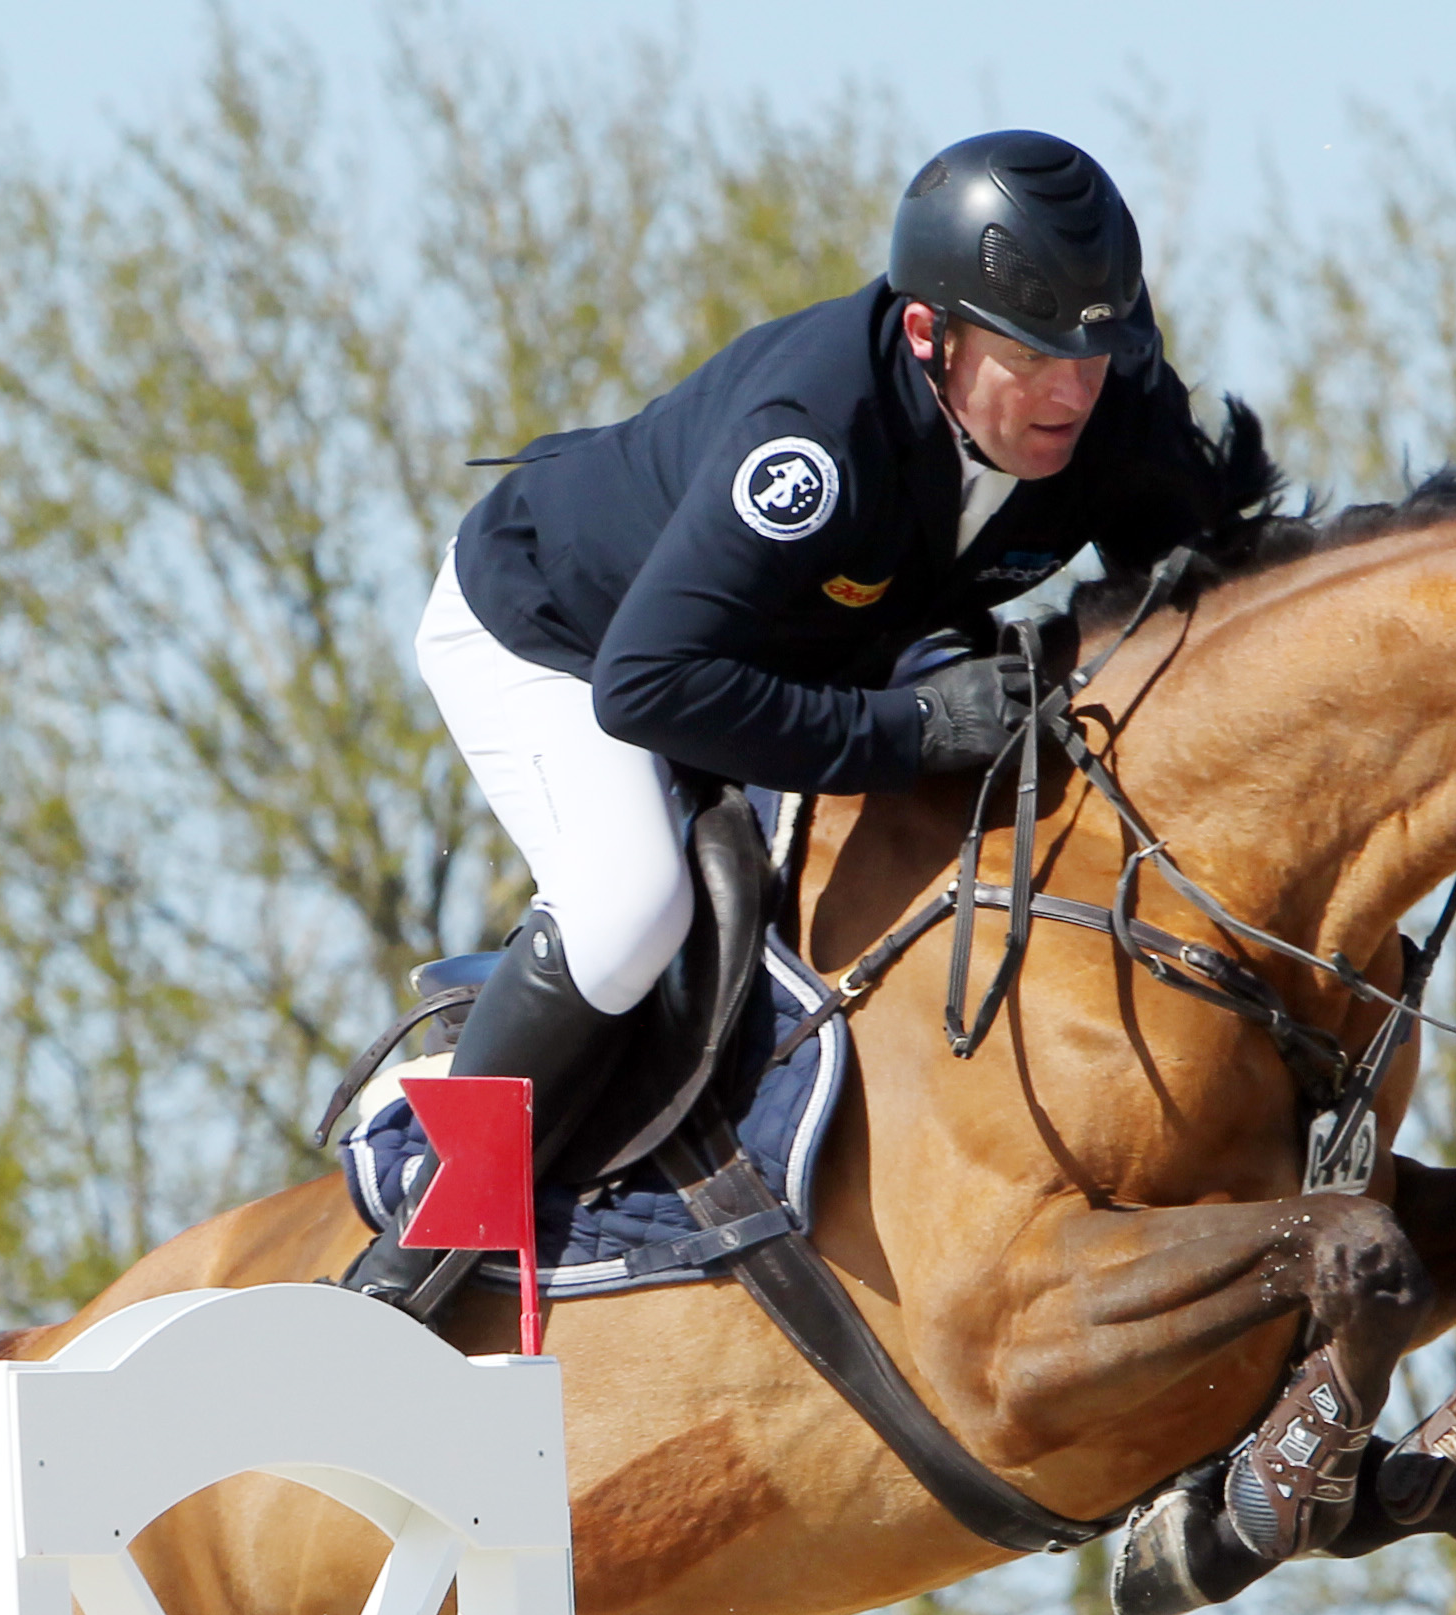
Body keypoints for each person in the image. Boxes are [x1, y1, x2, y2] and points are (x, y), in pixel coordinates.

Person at [343, 127, 1271, 1311]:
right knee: (632, 905)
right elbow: (649, 687)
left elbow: (1212, 617)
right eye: (1034, 357)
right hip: (562, 637)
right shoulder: (815, 439)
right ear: (929, 334)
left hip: (804, 639)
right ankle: (422, 1251)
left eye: (1094, 351)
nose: (1071, 394)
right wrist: (909, 731)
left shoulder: (1112, 405)